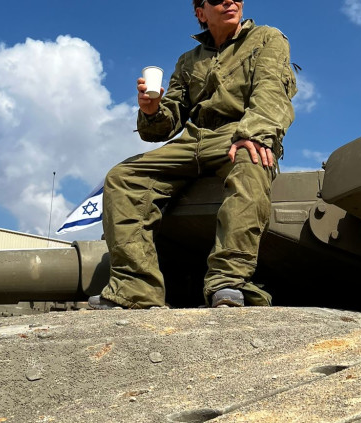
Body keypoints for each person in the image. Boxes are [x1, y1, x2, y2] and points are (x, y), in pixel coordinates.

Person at [89, 0, 297, 309]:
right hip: (193, 139)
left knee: (251, 162)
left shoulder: (267, 38)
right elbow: (167, 123)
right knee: (123, 178)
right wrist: (151, 110)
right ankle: (135, 289)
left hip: (238, 131)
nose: (230, 1)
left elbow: (271, 89)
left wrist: (256, 134)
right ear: (201, 12)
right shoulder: (189, 60)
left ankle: (228, 281)